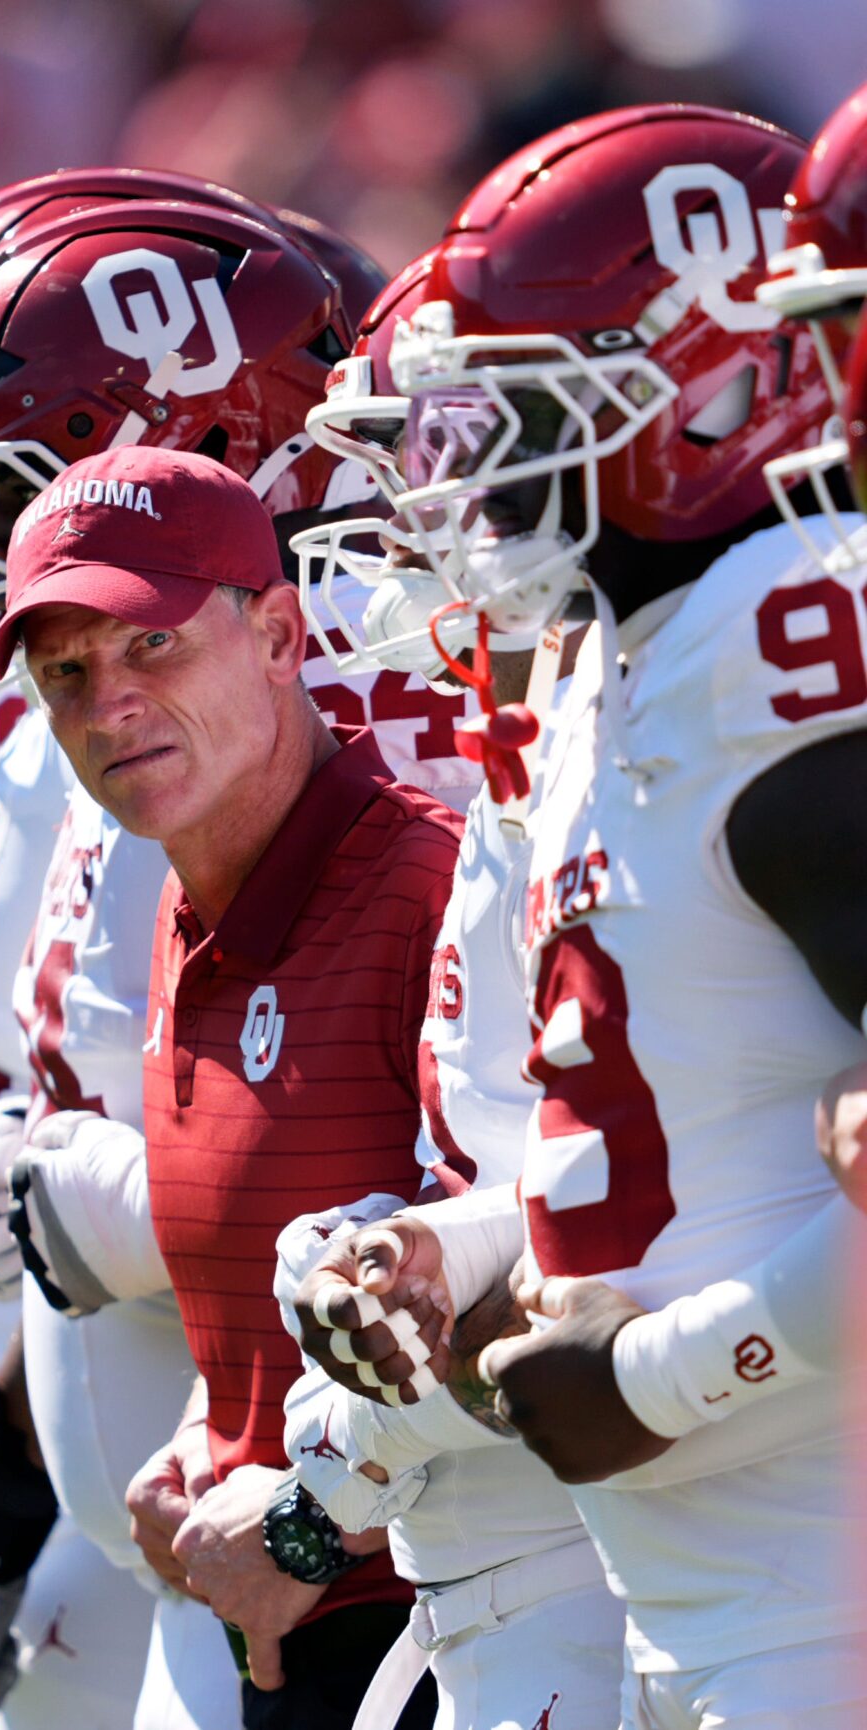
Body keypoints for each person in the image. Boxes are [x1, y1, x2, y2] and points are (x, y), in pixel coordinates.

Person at [290, 103, 867, 1730]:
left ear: (719, 380)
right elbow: (670, 1134)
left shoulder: (783, 627)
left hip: (815, 1576)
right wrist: (452, 1250)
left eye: (527, 416)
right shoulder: (633, 661)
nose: (476, 484)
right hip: (696, 1587)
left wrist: (659, 1381)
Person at [0, 194, 479, 1730]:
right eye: (75, 656)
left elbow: (466, 1190)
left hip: (393, 1553)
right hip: (200, 1514)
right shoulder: (116, 757)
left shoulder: (387, 711)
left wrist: (101, 1205)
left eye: (19, 484)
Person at [0, 442, 462, 1729]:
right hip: (288, 1633)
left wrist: (314, 1523)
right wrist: (214, 1432)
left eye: (151, 648)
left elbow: (529, 1279)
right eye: (67, 673)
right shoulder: (187, 900)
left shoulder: (426, 885)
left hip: (458, 1628)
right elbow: (275, 1270)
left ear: (275, 631)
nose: (108, 706)